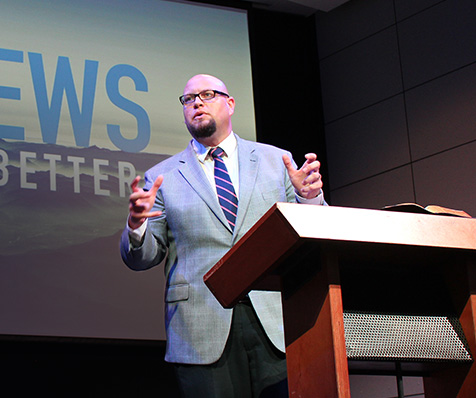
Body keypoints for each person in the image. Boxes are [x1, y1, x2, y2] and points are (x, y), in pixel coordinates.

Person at [120, 74, 325, 398]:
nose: (197, 103)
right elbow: (141, 258)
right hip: (200, 328)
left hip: (276, 321)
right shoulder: (162, 176)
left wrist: (308, 198)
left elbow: (314, 238)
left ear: (230, 104)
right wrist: (136, 225)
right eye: (189, 99)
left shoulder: (276, 161)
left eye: (207, 95)